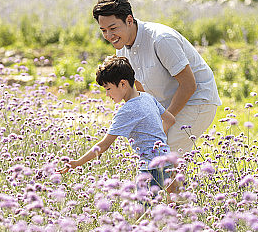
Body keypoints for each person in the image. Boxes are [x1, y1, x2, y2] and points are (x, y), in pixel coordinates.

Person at [92, 0, 221, 155]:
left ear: (129, 20)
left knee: (165, 154)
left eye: (113, 28)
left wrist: (163, 121)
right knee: (154, 152)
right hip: (167, 104)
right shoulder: (122, 49)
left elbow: (189, 85)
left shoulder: (161, 39)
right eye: (103, 30)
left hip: (198, 100)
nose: (109, 36)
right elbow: (138, 90)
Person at [59, 55, 177, 196]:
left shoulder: (127, 110)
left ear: (123, 84)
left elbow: (104, 145)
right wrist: (156, 137)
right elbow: (170, 120)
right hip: (167, 161)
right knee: (164, 209)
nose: (107, 94)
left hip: (150, 167)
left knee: (144, 212)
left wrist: (78, 163)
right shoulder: (147, 97)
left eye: (108, 88)